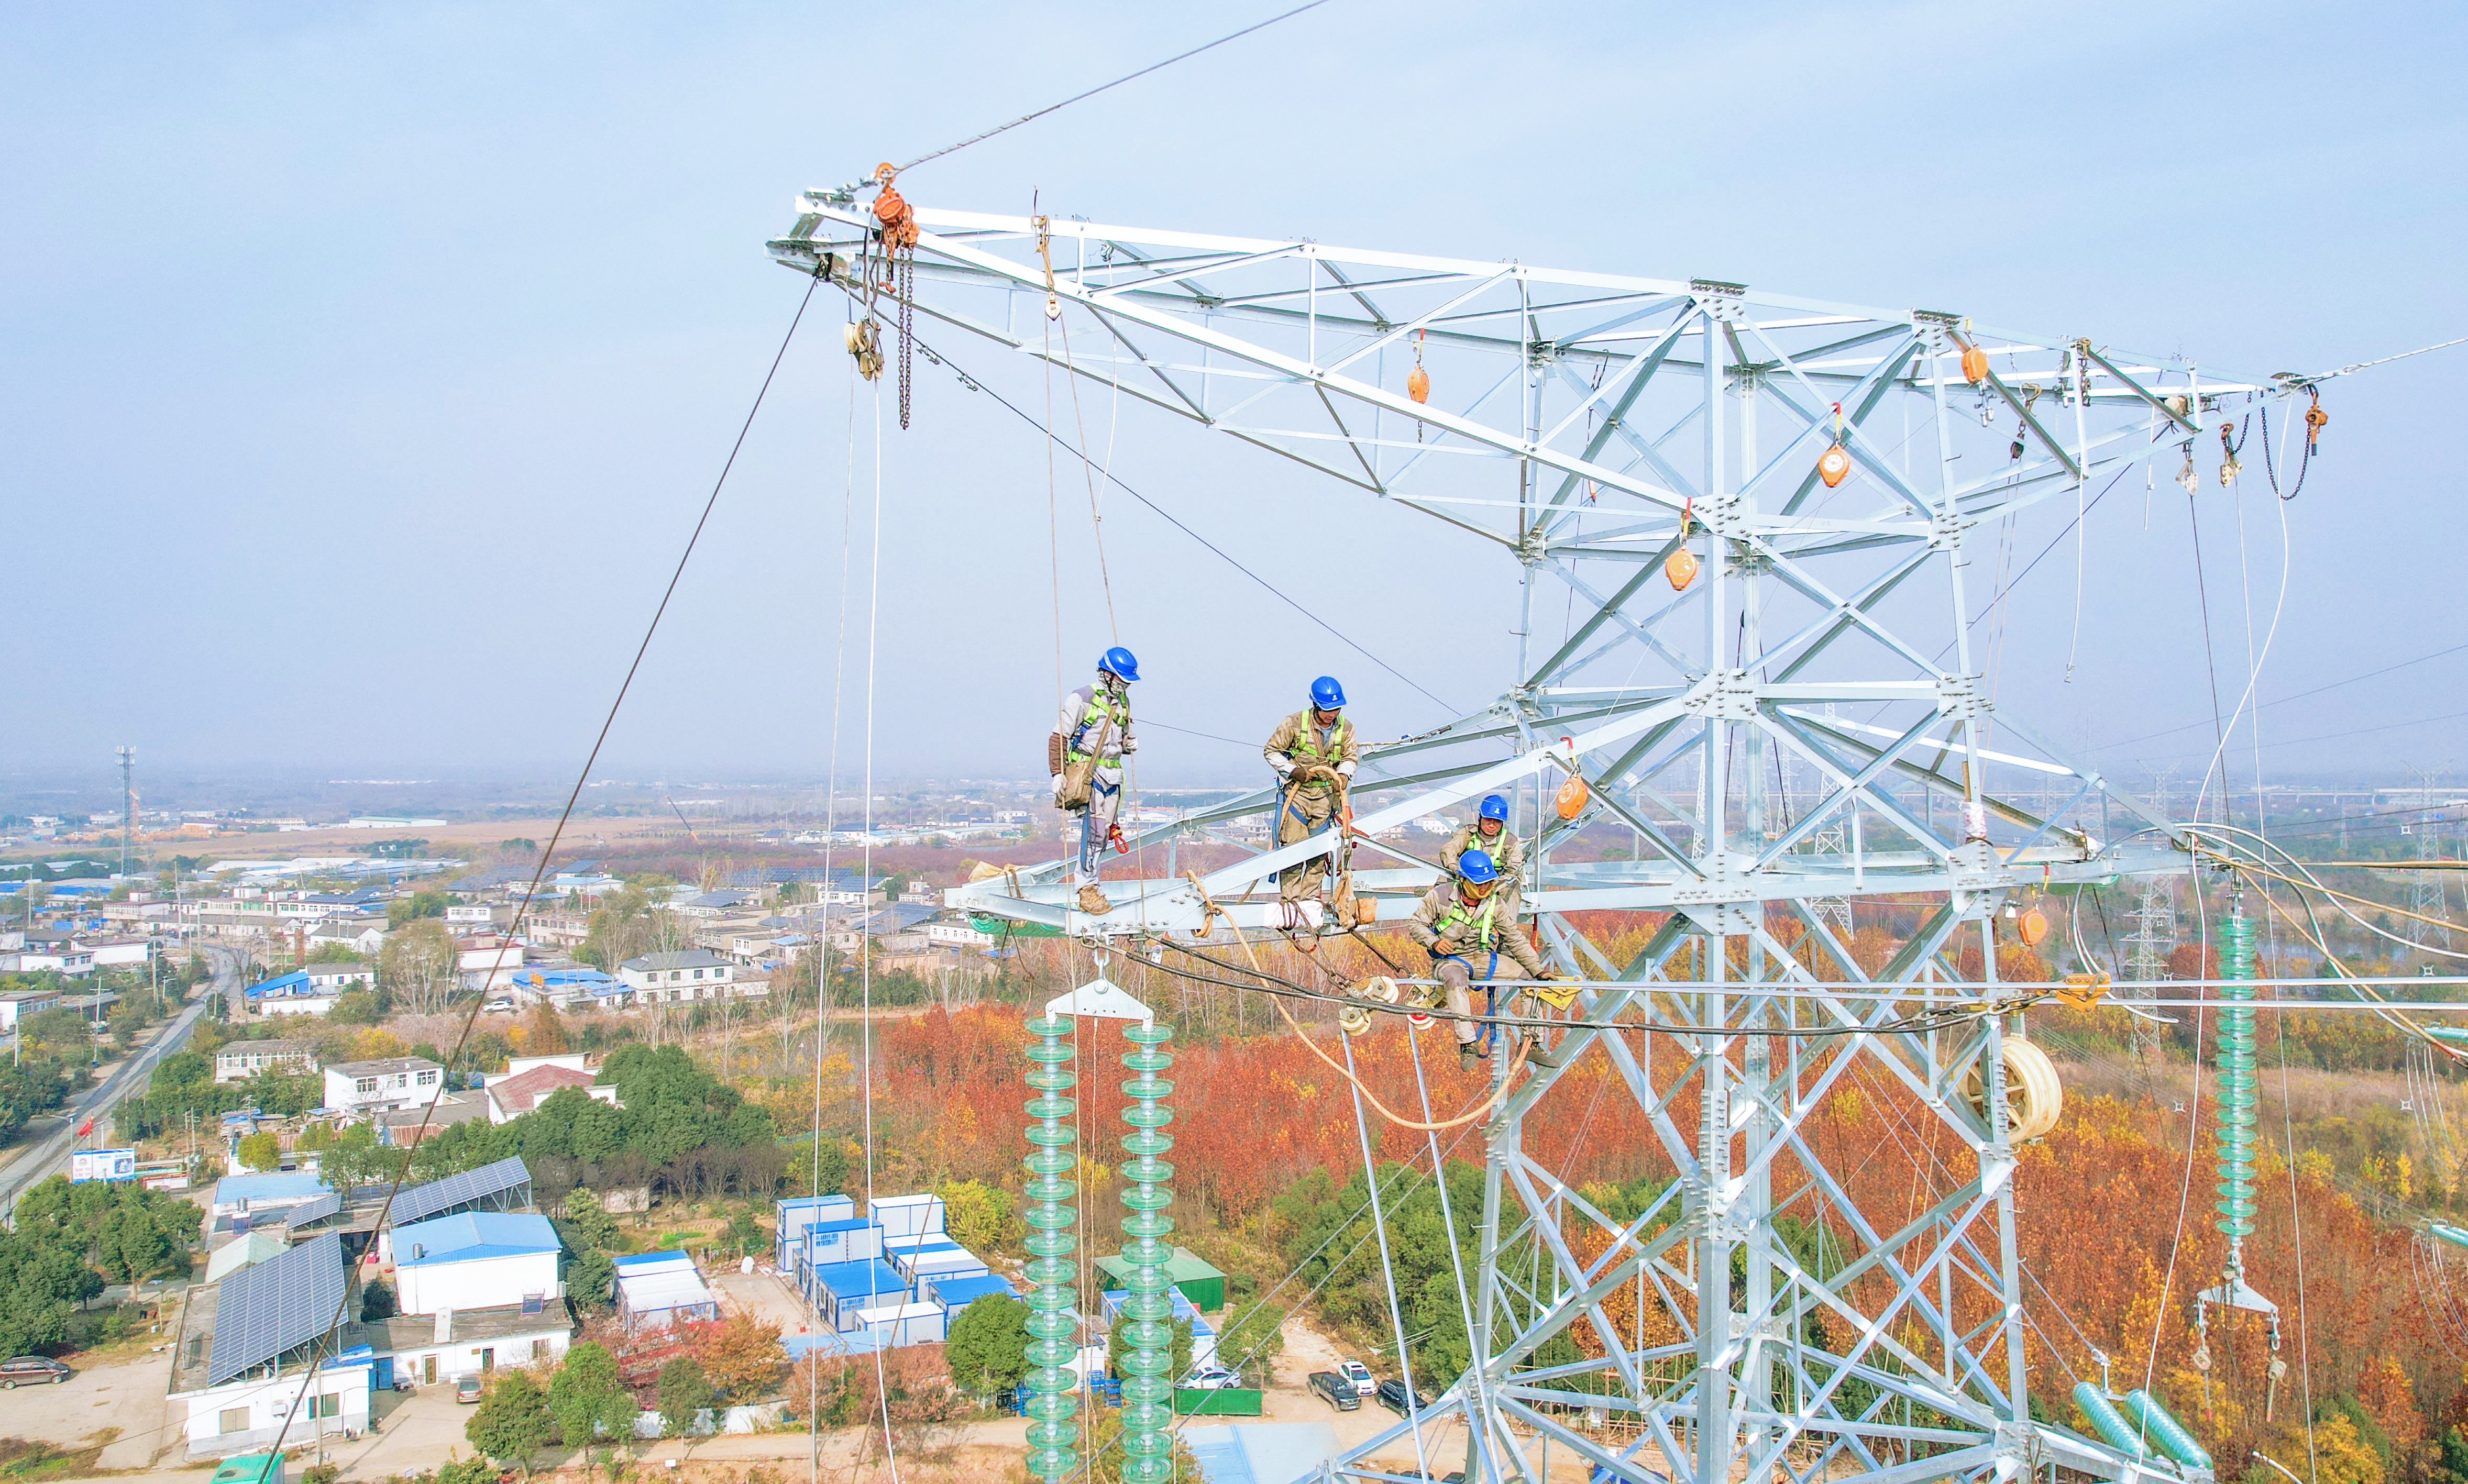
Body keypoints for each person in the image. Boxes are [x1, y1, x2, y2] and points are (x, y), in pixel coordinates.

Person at [1404, 849, 1562, 1072]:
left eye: (1487, 884)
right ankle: (1468, 1044)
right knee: (1455, 980)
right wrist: (1434, 942)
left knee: (1531, 983)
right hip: (1452, 960)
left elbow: (1515, 939)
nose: (1483, 889)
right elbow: (1416, 925)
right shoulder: (1439, 897)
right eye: (1478, 884)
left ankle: (1532, 1041)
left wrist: (1538, 972)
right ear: (1463, 880)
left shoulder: (1494, 904)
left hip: (1484, 957)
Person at [1053, 647, 1139, 915]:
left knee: (1103, 836)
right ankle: (1086, 888)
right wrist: (1057, 773)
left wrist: (1127, 745)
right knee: (1095, 832)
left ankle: (1092, 883)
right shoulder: (1081, 699)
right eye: (1122, 680)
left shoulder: (1122, 703)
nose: (1125, 685)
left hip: (1113, 775)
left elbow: (1118, 737)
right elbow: (1059, 737)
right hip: (1089, 774)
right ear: (1107, 675)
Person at [1262, 677, 1358, 906]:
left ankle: (1310, 903)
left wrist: (1343, 775)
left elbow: (1350, 758)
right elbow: (1271, 752)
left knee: (1317, 853)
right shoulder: (1294, 724)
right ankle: (1291, 903)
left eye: (1336, 709)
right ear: (1316, 705)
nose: (1331, 714)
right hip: (1297, 797)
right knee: (1294, 852)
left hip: (1326, 799)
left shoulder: (1346, 728)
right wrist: (1293, 771)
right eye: (1327, 710)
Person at [1440, 794, 1524, 915]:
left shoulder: (1510, 841)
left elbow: (1514, 871)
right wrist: (1455, 868)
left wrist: (1489, 885)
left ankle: (1507, 930)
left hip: (1495, 884)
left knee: (1512, 890)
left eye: (1497, 822)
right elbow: (1449, 850)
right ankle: (1438, 916)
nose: (1492, 825)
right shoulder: (1467, 834)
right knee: (1444, 880)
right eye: (1488, 820)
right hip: (1465, 880)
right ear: (1481, 818)